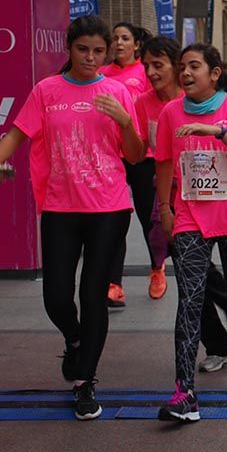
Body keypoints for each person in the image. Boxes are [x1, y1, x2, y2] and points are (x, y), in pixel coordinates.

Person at [0, 15, 144, 420]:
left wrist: (125, 121)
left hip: (109, 207)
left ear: (108, 53)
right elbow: (17, 135)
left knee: (93, 297)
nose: (90, 58)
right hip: (59, 207)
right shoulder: (47, 91)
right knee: (56, 295)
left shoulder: (117, 93)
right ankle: (75, 340)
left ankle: (85, 381)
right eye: (82, 49)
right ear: (70, 49)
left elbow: (137, 154)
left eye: (98, 51)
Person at [155, 44, 227, 423]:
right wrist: (165, 208)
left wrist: (218, 131)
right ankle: (184, 392)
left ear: (214, 73)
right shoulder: (170, 112)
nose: (185, 73)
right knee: (189, 300)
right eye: (182, 67)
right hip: (190, 217)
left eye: (194, 66)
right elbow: (165, 162)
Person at [102, 22, 154, 307]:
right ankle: (114, 283)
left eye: (125, 38)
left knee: (148, 217)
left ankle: (157, 267)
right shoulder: (102, 74)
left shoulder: (145, 72)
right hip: (112, 155)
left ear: (136, 45)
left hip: (143, 154)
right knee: (116, 218)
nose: (118, 43)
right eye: (115, 38)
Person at [133, 36, 184, 300]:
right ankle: (157, 267)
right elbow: (138, 151)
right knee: (156, 231)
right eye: (146, 66)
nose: (150, 73)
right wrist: (122, 124)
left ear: (176, 65)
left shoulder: (193, 97)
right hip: (159, 181)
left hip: (193, 189)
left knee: (190, 261)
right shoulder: (142, 102)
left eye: (158, 65)